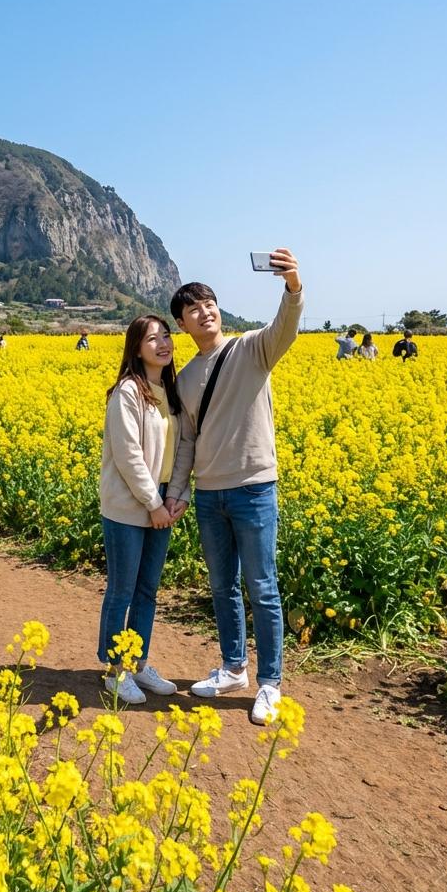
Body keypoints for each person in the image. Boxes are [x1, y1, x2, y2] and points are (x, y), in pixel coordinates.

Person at [166, 247, 303, 725]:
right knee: (222, 587)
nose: (204, 312)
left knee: (262, 587)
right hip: (209, 494)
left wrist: (292, 286)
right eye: (193, 309)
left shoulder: (251, 348)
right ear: (182, 324)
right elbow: (187, 441)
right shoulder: (185, 378)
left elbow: (285, 327)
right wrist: (178, 491)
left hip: (253, 488)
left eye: (209, 304)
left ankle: (270, 683)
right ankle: (233, 668)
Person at [97, 314, 183, 705]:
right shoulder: (127, 391)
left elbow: (180, 449)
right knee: (123, 590)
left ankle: (139, 662)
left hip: (161, 500)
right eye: (152, 339)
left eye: (166, 335)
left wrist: (173, 496)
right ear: (136, 347)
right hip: (129, 504)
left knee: (148, 590)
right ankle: (115, 670)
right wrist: (153, 503)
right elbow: (129, 455)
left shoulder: (170, 392)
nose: (163, 343)